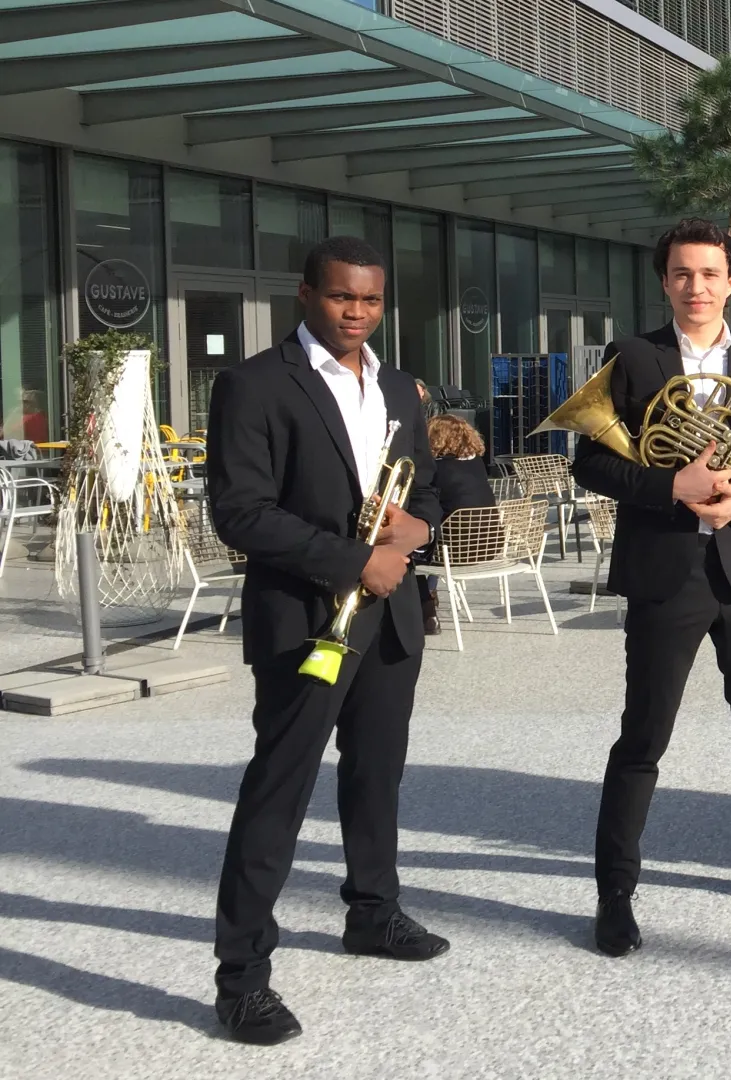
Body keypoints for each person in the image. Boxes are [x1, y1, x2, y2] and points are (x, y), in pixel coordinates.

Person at [204, 235, 446, 1046]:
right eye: (343, 296)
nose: (357, 312)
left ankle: (373, 913)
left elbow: (431, 487)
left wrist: (420, 527)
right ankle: (241, 978)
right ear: (305, 294)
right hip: (304, 617)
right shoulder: (253, 384)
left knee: (377, 778)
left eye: (371, 299)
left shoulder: (401, 388)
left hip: (388, 619)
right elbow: (239, 511)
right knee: (278, 791)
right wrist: (357, 561)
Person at [571, 218, 731, 958]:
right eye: (683, 273)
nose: (696, 287)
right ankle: (614, 893)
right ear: (665, 280)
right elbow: (591, 462)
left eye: (710, 274)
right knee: (643, 739)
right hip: (666, 573)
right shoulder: (634, 357)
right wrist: (666, 484)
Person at [416, 413, 495, 635]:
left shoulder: (434, 469)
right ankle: (430, 596)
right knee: (439, 538)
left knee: (417, 545)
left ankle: (426, 610)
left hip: (454, 550)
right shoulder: (477, 464)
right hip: (490, 546)